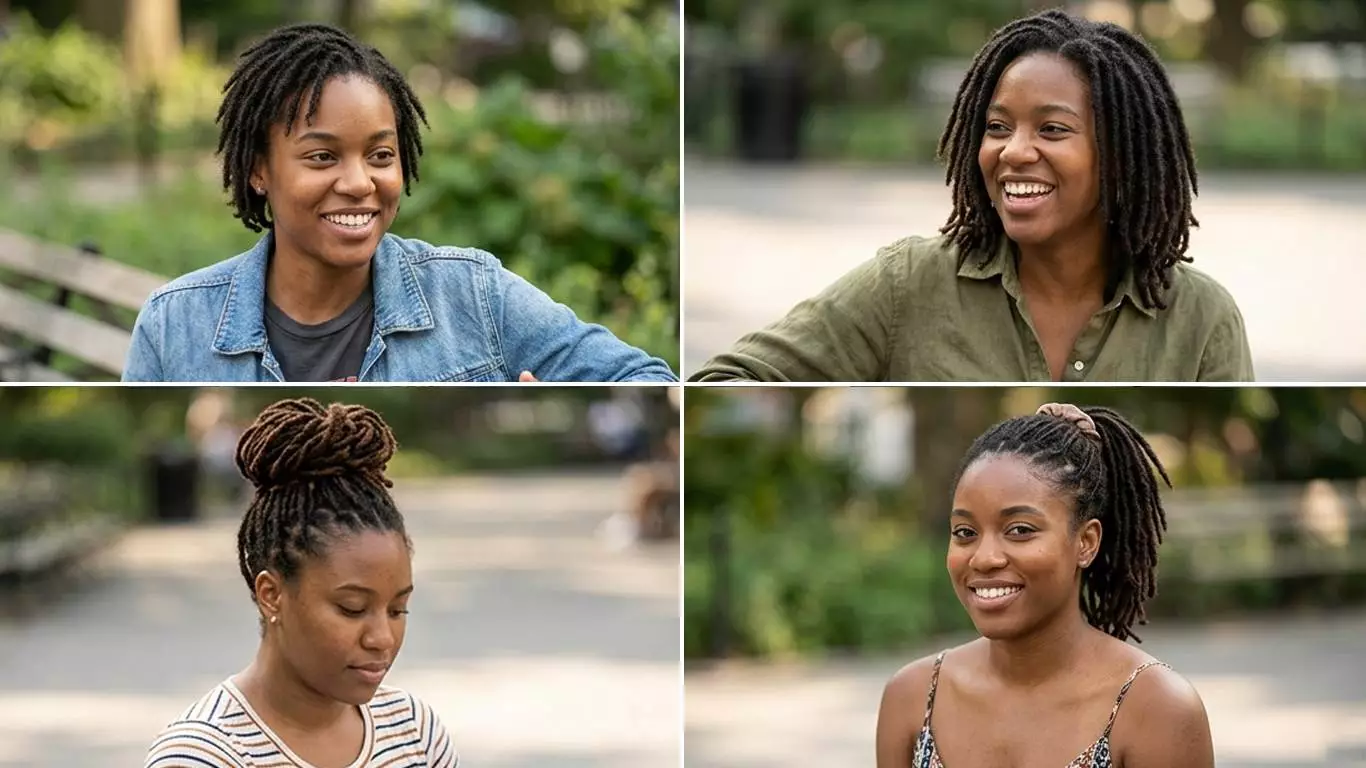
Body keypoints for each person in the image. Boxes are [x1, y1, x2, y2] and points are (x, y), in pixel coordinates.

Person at [692, 9, 1253, 383]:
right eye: (997, 126)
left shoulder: (1201, 321)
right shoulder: (909, 284)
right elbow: (721, 383)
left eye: (1052, 130)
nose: (1013, 151)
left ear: (1123, 156)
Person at [122, 22, 676, 383]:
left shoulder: (474, 294)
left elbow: (650, 380)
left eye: (381, 154)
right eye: (322, 157)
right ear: (259, 171)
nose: (360, 182)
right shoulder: (174, 326)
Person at [875, 403, 1214, 767]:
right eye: (965, 532)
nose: (984, 558)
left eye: (1020, 530)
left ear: (1085, 542)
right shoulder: (913, 699)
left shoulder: (1155, 710)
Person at [143, 398, 458, 767]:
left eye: (397, 609)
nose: (383, 638)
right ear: (271, 595)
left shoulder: (415, 733)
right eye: (352, 608)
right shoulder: (203, 756)